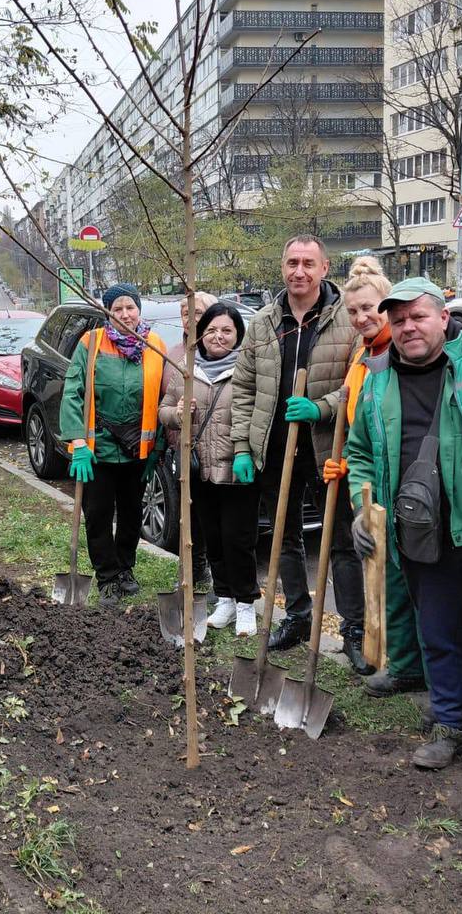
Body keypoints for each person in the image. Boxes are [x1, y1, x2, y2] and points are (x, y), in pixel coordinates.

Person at [345, 277, 462, 813]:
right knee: (439, 639)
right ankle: (450, 724)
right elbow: (361, 453)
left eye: (418, 316)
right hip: (420, 539)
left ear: (444, 318)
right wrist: (363, 508)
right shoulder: (378, 379)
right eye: (399, 319)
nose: (408, 327)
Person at [230, 235, 357, 654]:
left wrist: (321, 408)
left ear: (324, 268)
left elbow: (358, 383)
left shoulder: (346, 318)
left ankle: (354, 630)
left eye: (308, 263)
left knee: (339, 541)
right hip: (276, 448)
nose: (298, 271)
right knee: (284, 537)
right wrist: (243, 447)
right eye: (291, 263)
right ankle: (298, 617)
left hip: (326, 450)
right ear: (282, 267)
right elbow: (243, 387)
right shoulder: (264, 322)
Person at [327, 262, 426, 691]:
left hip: (407, 479)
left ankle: (427, 670)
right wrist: (348, 464)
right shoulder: (363, 355)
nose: (361, 317)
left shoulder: (398, 354)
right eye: (352, 311)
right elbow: (360, 421)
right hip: (371, 475)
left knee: (419, 582)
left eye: (368, 308)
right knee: (392, 578)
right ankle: (402, 664)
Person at [60, 283, 167, 602]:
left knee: (133, 514)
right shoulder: (91, 342)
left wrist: (157, 448)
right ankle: (107, 576)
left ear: (138, 310)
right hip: (98, 451)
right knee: (98, 514)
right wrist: (78, 442)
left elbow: (164, 397)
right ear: (107, 312)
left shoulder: (155, 345)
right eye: (117, 308)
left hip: (137, 450)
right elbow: (72, 391)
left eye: (130, 307)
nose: (125, 314)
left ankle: (124, 568)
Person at [159, 302, 259, 636]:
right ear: (201, 334)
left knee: (238, 539)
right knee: (214, 538)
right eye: (212, 330)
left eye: (227, 330)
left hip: (238, 469)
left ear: (238, 334)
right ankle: (225, 599)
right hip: (200, 470)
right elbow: (163, 411)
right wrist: (177, 413)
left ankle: (246, 604)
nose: (219, 336)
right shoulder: (188, 369)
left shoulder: (248, 368)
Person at [163, 290, 218, 602]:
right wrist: (176, 413)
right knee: (186, 516)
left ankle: (213, 575)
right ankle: (190, 572)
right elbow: (163, 406)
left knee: (211, 517)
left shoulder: (220, 354)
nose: (191, 319)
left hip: (214, 451)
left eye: (198, 313)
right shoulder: (174, 355)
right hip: (181, 452)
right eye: (187, 313)